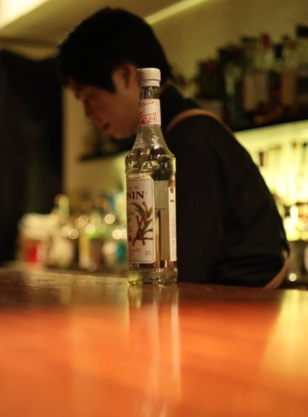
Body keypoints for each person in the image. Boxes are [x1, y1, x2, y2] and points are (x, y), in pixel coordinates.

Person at [57, 8, 289, 287]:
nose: (88, 114)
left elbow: (184, 275)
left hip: (242, 309)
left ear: (127, 75)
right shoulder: (187, 132)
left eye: (90, 96)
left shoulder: (186, 143)